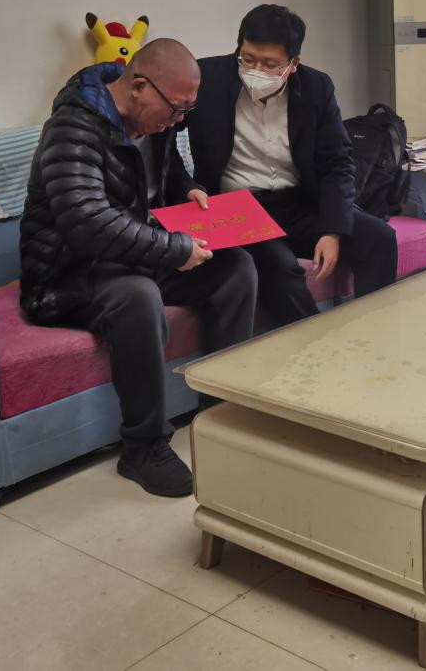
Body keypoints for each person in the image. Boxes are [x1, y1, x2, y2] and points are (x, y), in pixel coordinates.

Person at [19, 38, 258, 497]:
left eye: (187, 110)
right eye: (176, 108)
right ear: (139, 87)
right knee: (138, 297)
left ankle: (221, 412)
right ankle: (143, 446)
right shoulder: (73, 129)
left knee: (235, 268)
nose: (180, 120)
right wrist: (173, 249)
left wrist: (188, 189)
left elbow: (167, 171)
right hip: (68, 273)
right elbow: (87, 223)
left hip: (132, 255)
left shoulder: (157, 120)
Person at [184, 4, 398, 327]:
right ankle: (317, 345)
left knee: (379, 239)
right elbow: (162, 137)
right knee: (281, 268)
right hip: (237, 209)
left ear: (293, 63)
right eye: (248, 59)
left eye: (270, 64)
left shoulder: (316, 88)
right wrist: (187, 186)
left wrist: (332, 229)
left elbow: (338, 162)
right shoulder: (207, 79)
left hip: (298, 203)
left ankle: (373, 333)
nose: (256, 70)